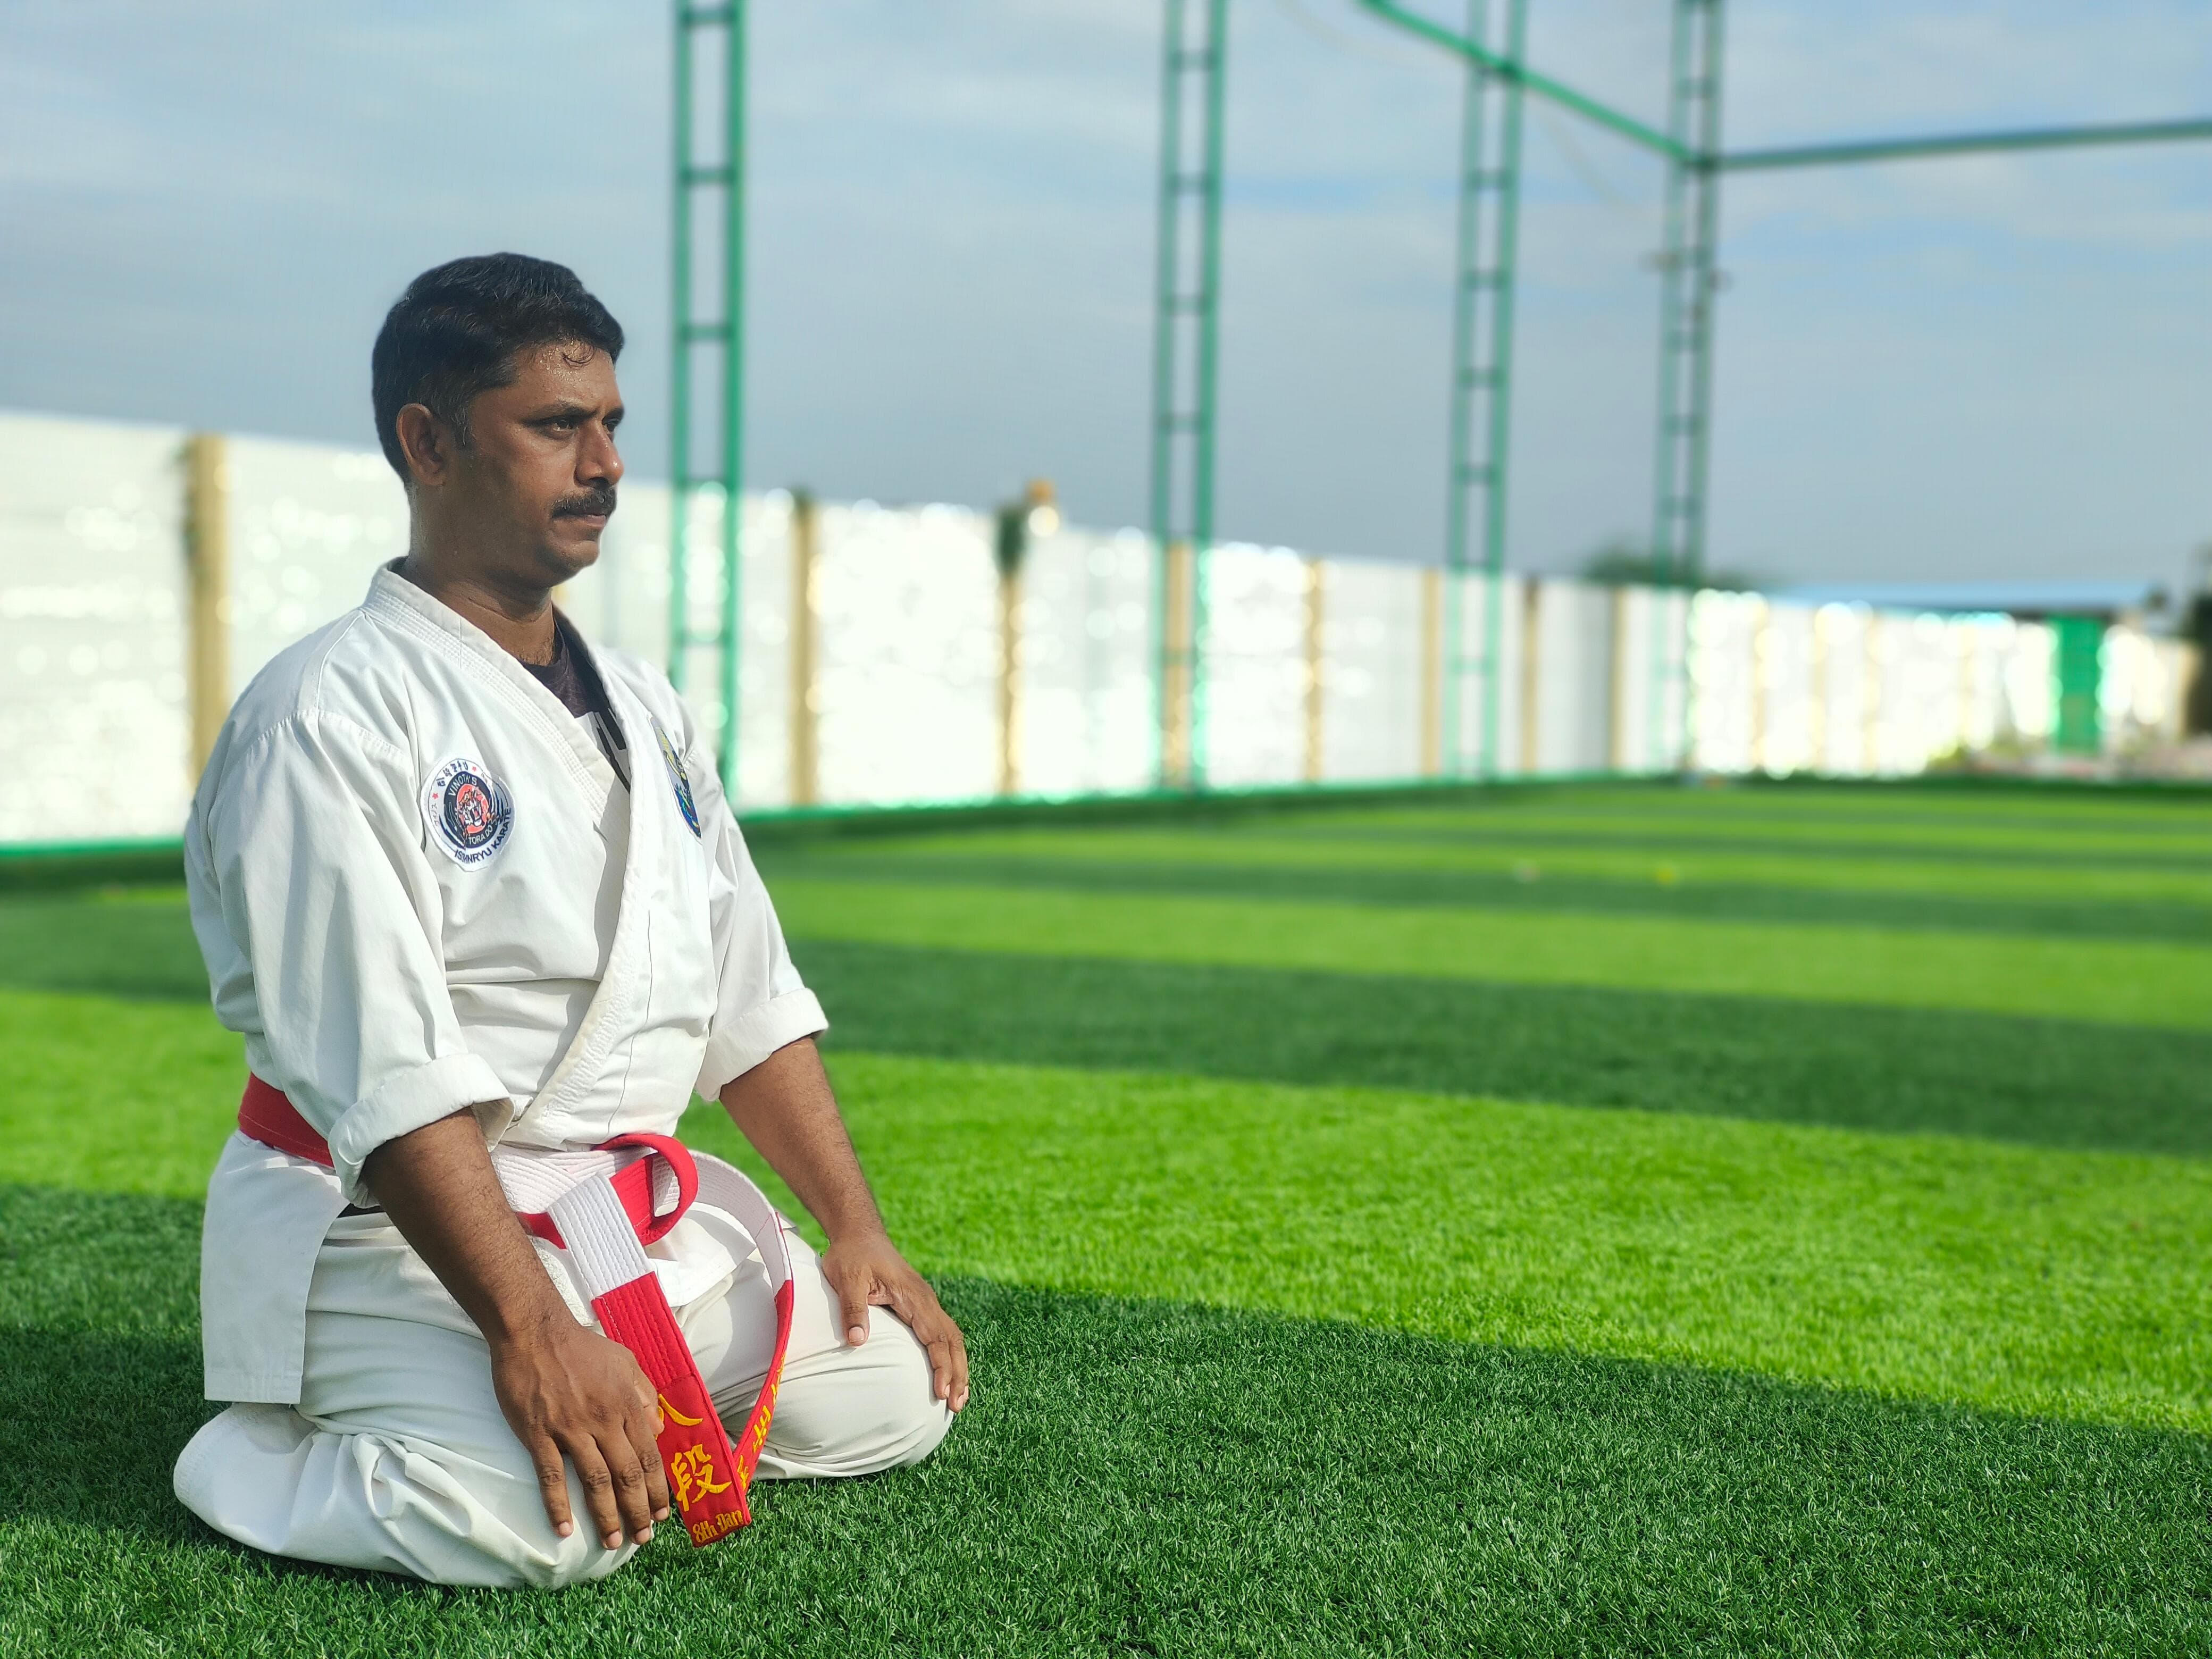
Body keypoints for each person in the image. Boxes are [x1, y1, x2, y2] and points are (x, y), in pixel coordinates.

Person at [172, 253, 966, 1589]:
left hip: (605, 1211)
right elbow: (389, 1074)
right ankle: (255, 1449)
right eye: (556, 426)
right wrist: (527, 1330)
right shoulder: (329, 713)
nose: (601, 463)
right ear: (427, 441)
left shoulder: (645, 704)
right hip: (385, 1225)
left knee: (892, 1389)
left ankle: (598, 1394)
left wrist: (858, 1230)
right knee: (562, 1529)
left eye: (610, 426)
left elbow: (746, 995)